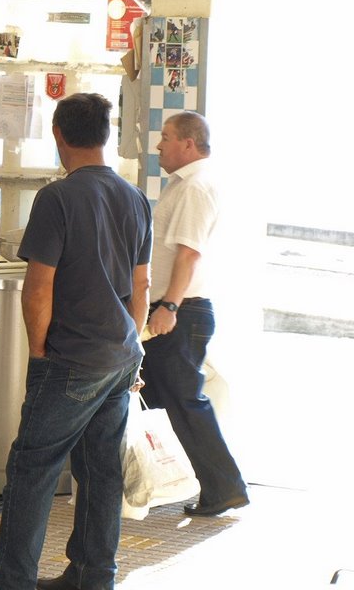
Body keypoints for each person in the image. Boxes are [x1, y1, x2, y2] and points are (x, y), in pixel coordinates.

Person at [0, 93, 152, 590]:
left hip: (70, 358)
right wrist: (133, 344)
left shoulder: (57, 198)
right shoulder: (135, 197)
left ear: (59, 135)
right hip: (118, 354)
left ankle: (11, 582)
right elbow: (140, 286)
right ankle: (92, 576)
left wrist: (38, 353)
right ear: (105, 135)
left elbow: (39, 287)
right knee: (101, 471)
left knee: (33, 468)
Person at [141, 111, 248, 517]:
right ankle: (169, 482)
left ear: (188, 143)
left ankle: (224, 487)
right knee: (156, 400)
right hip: (176, 308)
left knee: (186, 402)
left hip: (182, 311)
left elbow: (188, 253)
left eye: (165, 137)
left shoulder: (196, 187)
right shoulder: (185, 185)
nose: (159, 146)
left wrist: (169, 305)